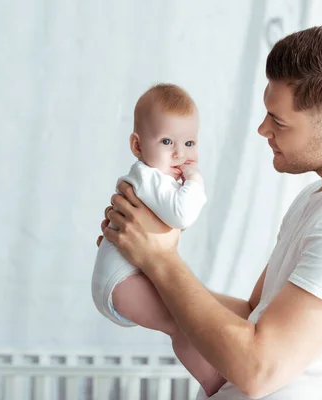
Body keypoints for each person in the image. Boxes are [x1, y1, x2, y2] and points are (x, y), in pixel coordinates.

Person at [98, 25, 322, 399]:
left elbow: (259, 370)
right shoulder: (320, 196)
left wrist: (160, 259)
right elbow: (251, 313)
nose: (262, 129)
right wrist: (140, 262)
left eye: (278, 121)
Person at [92, 83, 226, 396]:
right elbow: (182, 215)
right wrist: (195, 179)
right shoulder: (148, 176)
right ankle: (216, 384)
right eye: (167, 141)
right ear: (138, 146)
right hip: (121, 282)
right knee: (183, 322)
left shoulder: (157, 179)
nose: (180, 153)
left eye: (189, 142)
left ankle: (217, 379)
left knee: (188, 316)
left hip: (128, 278)